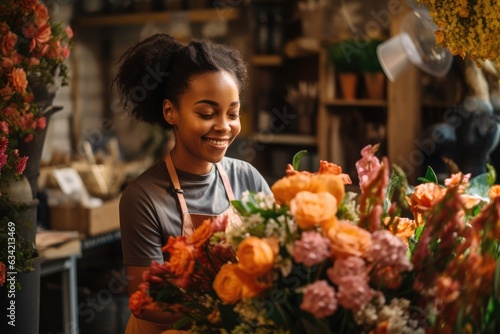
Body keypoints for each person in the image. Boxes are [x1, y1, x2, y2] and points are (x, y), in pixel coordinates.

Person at [114, 33, 271, 333]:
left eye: (233, 113)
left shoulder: (247, 178)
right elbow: (144, 302)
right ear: (170, 111)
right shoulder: (143, 198)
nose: (224, 126)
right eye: (207, 113)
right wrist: (225, 313)